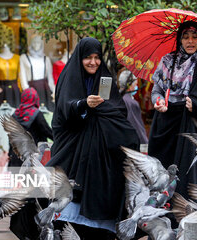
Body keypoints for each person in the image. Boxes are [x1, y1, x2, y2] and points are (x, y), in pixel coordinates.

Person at [47, 37, 139, 239]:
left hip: (98, 160)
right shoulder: (68, 78)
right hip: (72, 152)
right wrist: (83, 105)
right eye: (88, 57)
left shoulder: (104, 78)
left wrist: (100, 109)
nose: (93, 62)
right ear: (79, 58)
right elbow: (64, 110)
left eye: (97, 58)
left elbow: (118, 111)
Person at [148, 21, 197, 201]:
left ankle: (191, 216)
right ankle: (164, 219)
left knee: (190, 174)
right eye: (185, 37)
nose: (190, 41)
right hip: (167, 125)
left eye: (194, 37)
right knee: (164, 173)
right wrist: (158, 101)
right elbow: (157, 90)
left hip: (193, 125)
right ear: (179, 39)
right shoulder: (167, 61)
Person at [8, 87, 53, 167]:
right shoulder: (36, 114)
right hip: (34, 157)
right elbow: (47, 132)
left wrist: (9, 154)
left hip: (17, 157)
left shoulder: (15, 115)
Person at [118, 68, 148, 145]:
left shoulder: (117, 98)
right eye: (135, 85)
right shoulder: (131, 103)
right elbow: (137, 126)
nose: (136, 87)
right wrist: (145, 143)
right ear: (130, 86)